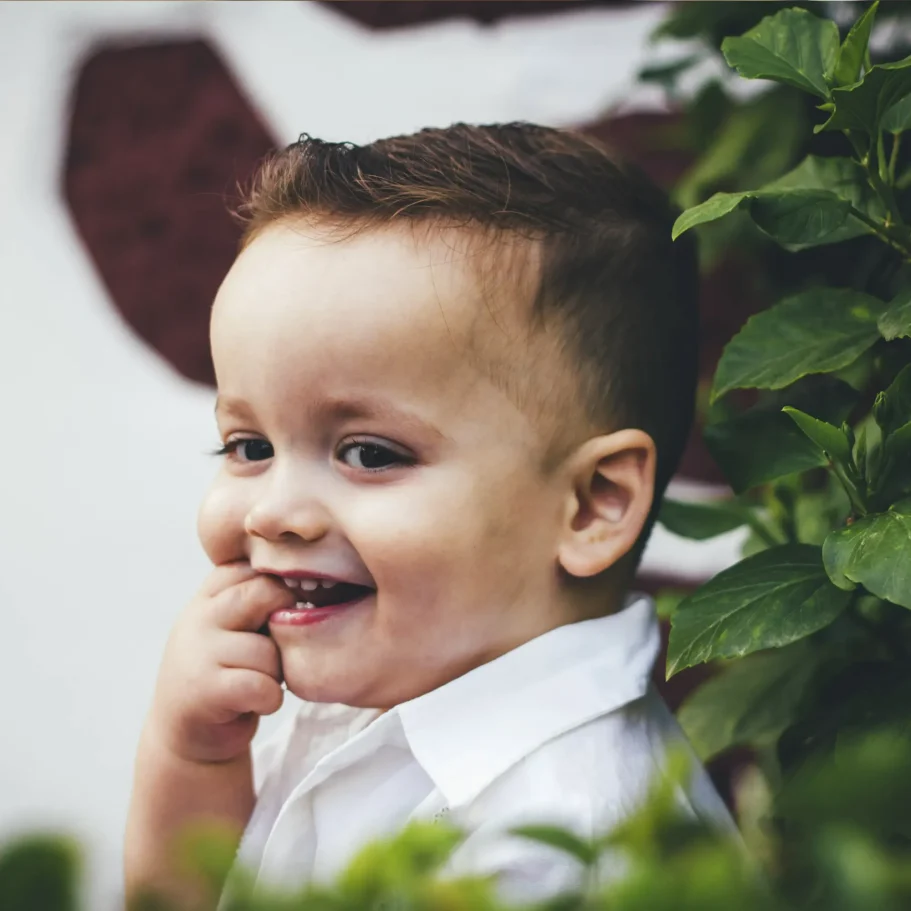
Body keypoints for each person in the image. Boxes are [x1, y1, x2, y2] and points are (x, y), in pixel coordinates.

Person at [124, 122, 734, 909]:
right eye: (247, 445)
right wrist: (193, 761)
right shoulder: (390, 695)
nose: (275, 511)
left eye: (370, 453)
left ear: (592, 504)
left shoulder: (557, 844)